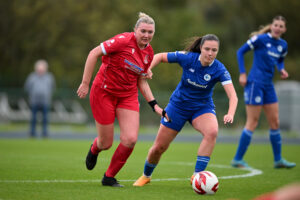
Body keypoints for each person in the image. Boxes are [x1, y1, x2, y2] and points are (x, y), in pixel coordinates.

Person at [133, 34, 238, 187]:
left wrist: (230, 113)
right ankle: (146, 176)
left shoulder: (219, 69)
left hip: (202, 108)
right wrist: (147, 69)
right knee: (159, 148)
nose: (210, 53)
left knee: (212, 132)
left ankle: (197, 176)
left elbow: (233, 96)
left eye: (214, 50)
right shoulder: (188, 57)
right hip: (178, 106)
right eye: (207, 49)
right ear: (201, 48)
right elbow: (160, 56)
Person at [77, 12, 166, 187]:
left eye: (150, 32)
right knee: (106, 143)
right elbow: (93, 53)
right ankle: (95, 148)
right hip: (104, 93)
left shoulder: (149, 53)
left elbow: (141, 80)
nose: (147, 35)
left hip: (127, 96)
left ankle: (109, 177)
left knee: (131, 139)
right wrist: (85, 83)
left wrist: (154, 105)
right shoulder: (123, 40)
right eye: (143, 31)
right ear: (135, 30)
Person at [231, 15, 296, 169]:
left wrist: (281, 69)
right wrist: (242, 73)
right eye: (276, 25)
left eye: (281, 26)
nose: (278, 28)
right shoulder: (260, 40)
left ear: (284, 29)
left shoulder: (283, 45)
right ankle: (238, 159)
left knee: (275, 122)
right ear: (271, 26)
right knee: (252, 122)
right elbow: (240, 52)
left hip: (268, 85)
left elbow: (279, 60)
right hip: (255, 83)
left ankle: (278, 160)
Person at [24, 59, 55, 138]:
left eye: (42, 69)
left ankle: (44, 133)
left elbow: (52, 87)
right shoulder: (32, 77)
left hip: (45, 101)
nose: (41, 70)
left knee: (45, 118)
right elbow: (27, 87)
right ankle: (32, 133)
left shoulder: (49, 77)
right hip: (34, 101)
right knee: (33, 118)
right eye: (39, 69)